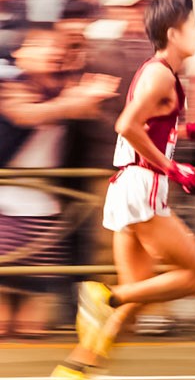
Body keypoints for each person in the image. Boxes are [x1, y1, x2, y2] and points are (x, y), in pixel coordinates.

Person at [50, 0, 195, 380]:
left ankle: (77, 369)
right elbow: (126, 125)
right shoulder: (161, 72)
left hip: (132, 186)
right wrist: (171, 166)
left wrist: (192, 131)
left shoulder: (162, 73)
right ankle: (104, 296)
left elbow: (152, 124)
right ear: (174, 33)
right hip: (143, 187)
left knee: (141, 292)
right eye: (194, 26)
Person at [0, 23, 118, 338]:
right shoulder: (9, 87)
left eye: (56, 48)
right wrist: (76, 101)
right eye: (40, 46)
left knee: (32, 324)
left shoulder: (66, 88)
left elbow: (104, 126)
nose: (52, 53)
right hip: (6, 208)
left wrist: (88, 101)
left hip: (47, 209)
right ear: (19, 54)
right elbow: (25, 114)